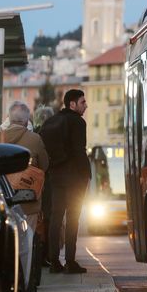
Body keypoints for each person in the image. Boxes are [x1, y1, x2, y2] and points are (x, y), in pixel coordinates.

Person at [41, 89, 90, 274]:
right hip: (75, 178)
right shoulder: (78, 122)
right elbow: (80, 150)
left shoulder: (51, 122)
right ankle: (70, 260)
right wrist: (86, 174)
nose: (86, 106)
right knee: (73, 219)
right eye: (82, 102)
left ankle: (54, 260)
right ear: (72, 104)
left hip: (56, 176)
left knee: (55, 217)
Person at [1, 101, 49, 231]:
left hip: (3, 200)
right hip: (28, 200)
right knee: (26, 244)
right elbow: (44, 166)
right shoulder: (35, 139)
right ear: (27, 119)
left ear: (9, 118)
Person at [33, 105, 56, 267]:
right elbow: (47, 162)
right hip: (48, 181)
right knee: (48, 218)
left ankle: (38, 254)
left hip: (33, 181)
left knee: (38, 218)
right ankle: (47, 254)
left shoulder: (34, 134)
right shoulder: (54, 135)